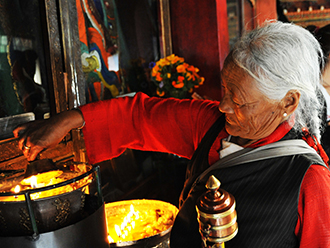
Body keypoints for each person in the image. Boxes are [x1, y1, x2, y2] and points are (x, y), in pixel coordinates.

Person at [13, 21, 330, 247]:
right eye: (224, 90)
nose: (223, 106)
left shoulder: (310, 179)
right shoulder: (209, 124)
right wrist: (69, 121)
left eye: (240, 101)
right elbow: (140, 118)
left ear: (288, 102)